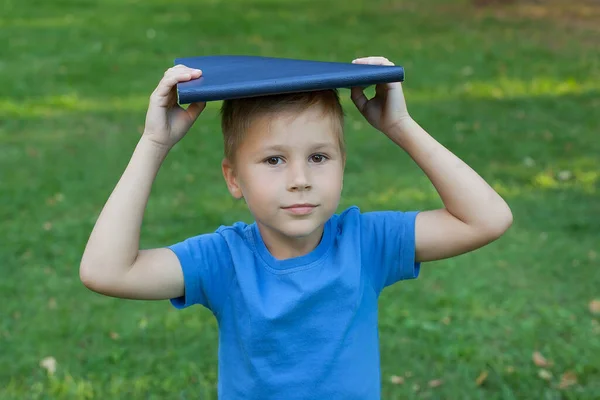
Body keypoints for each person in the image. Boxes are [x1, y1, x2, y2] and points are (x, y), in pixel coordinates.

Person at [79, 56, 513, 399]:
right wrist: (154, 143)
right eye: (274, 160)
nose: (300, 178)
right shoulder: (223, 260)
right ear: (234, 178)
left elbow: (487, 218)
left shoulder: (365, 243)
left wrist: (400, 126)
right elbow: (107, 271)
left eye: (319, 157)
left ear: (343, 167)